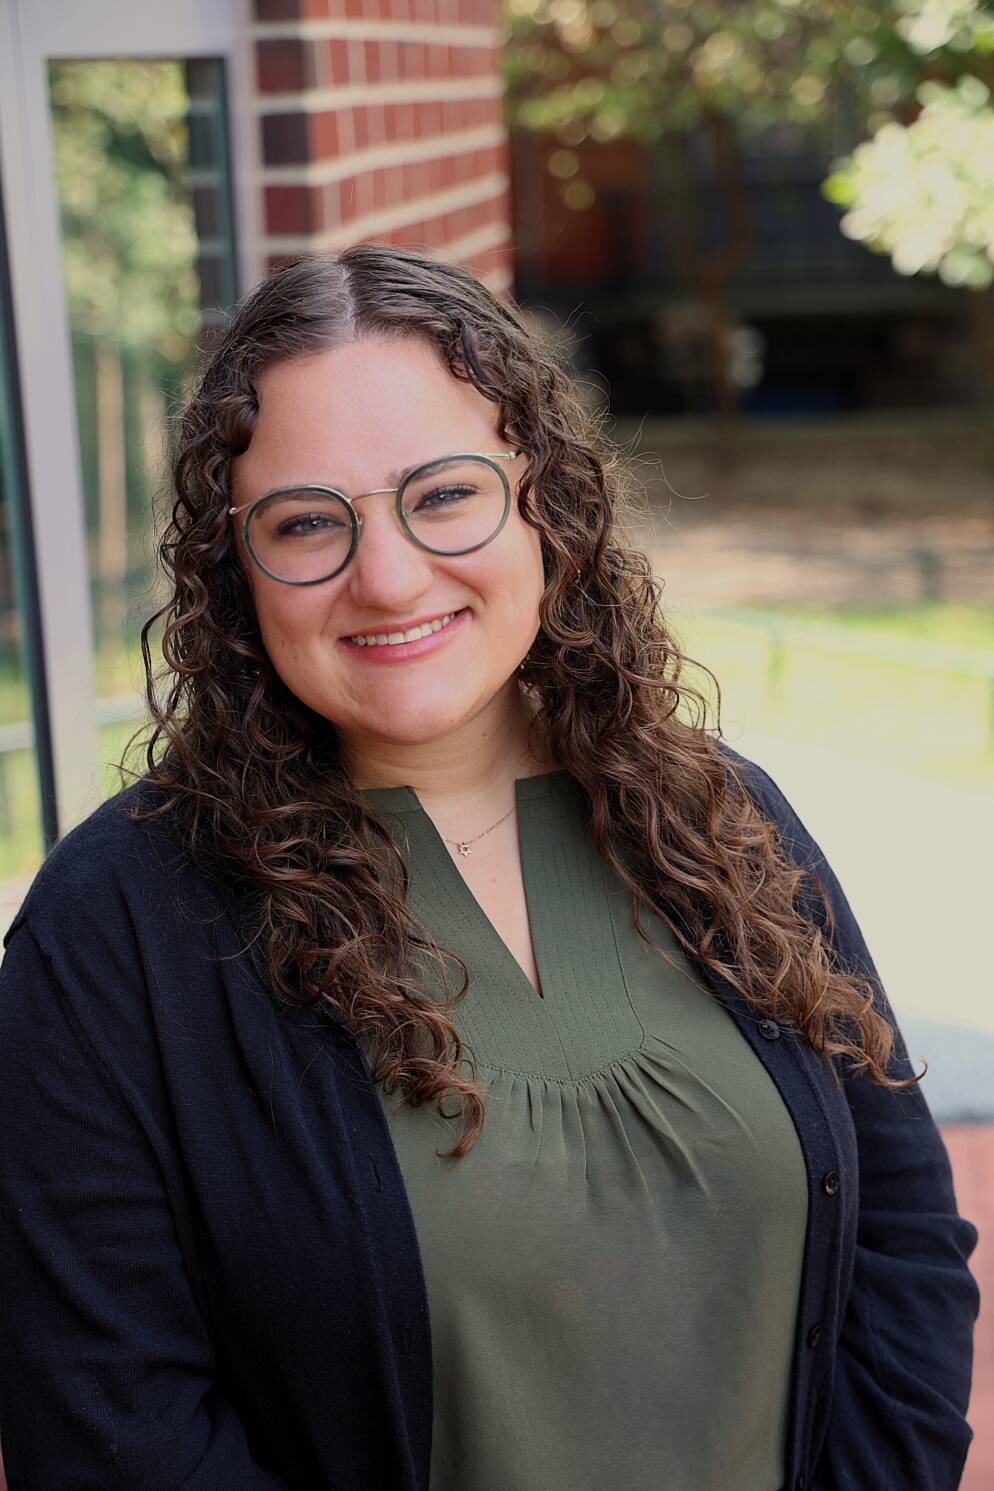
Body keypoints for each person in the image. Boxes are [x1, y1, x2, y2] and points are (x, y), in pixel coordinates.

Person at [0, 243, 979, 1491]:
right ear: (233, 570)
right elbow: (106, 1424)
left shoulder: (720, 818)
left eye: (445, 493)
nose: (391, 575)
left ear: (542, 499)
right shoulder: (115, 933)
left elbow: (898, 1234)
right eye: (308, 522)